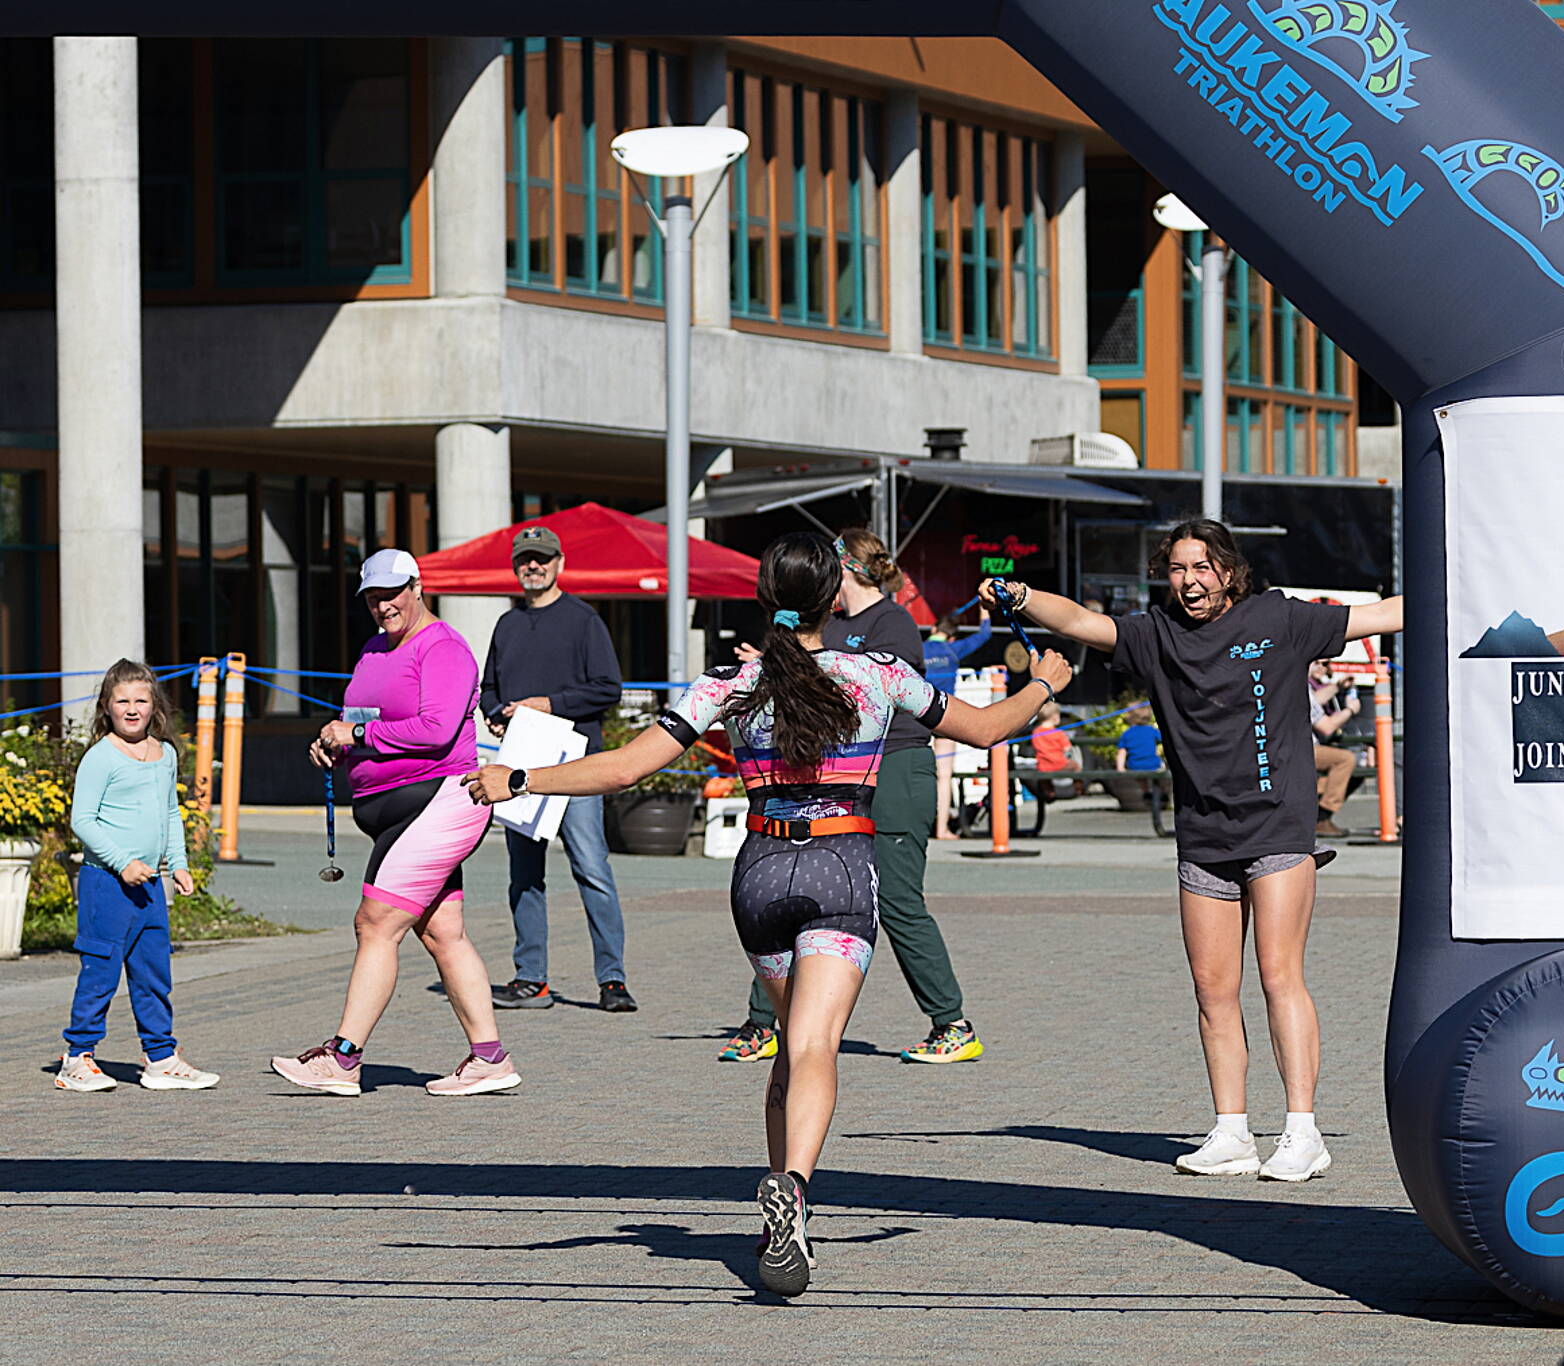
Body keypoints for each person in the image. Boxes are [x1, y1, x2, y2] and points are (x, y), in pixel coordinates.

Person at [464, 531, 1072, 1296]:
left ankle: (779, 1216)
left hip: (758, 875)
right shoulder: (877, 673)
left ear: (765, 597)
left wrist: (518, 776)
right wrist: (1044, 683)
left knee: (787, 1047)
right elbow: (985, 730)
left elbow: (625, 766)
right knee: (817, 1046)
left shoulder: (729, 683)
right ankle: (793, 1186)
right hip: (842, 867)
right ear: (832, 595)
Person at [980, 519, 1402, 1181]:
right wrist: (1020, 594)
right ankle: (1231, 1131)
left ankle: (1302, 1131)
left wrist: (1467, 582)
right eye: (1178, 569)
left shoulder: (1281, 618)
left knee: (1278, 976)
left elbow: (1383, 614)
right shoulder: (1156, 634)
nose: (1189, 581)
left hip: (1278, 829)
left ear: (1229, 571)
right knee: (1212, 991)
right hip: (1204, 835)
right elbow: (1081, 623)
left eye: (1201, 567)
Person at [719, 528, 984, 1067]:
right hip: (836, 772)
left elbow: (882, 686)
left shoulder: (893, 623)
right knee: (794, 885)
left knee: (897, 900)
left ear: (846, 570)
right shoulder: (832, 624)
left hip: (894, 766)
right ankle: (764, 1019)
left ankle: (951, 1022)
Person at [270, 548, 518, 1098]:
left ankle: (343, 1058)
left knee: (375, 923)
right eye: (373, 597)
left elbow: (434, 729)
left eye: (392, 592)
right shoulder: (374, 650)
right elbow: (360, 720)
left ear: (416, 587)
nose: (384, 606)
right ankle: (490, 1060)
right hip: (394, 806)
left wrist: (356, 739)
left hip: (441, 799)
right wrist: (335, 744)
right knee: (442, 932)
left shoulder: (444, 648)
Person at [479, 523, 635, 1013]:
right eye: (525, 559)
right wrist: (496, 711)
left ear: (559, 564)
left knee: (591, 868)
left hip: (577, 763)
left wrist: (549, 703)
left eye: (542, 558)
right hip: (520, 763)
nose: (533, 566)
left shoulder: (583, 620)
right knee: (523, 873)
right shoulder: (506, 625)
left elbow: (608, 688)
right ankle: (531, 978)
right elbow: (488, 687)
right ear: (516, 567)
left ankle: (612, 980)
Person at [55, 660, 219, 1092]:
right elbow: (83, 820)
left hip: (149, 887)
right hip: (106, 883)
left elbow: (169, 812)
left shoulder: (164, 754)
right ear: (106, 707)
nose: (132, 709)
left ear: (154, 706)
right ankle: (77, 1059)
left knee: (153, 974)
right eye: (122, 700)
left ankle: (161, 1058)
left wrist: (178, 863)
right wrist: (122, 861)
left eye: (140, 700)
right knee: (101, 972)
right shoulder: (101, 757)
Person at [922, 609, 993, 840]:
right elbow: (984, 635)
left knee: (918, 774)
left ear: (934, 630)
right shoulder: (953, 650)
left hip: (918, 715)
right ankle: (942, 829)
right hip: (944, 717)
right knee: (944, 776)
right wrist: (983, 612)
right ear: (952, 637)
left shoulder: (917, 649)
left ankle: (920, 826)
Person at [1308, 662, 1364, 839]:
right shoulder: (1301, 687)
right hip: (1302, 749)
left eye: (1325, 664)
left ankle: (1317, 813)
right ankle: (1322, 816)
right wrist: (1350, 710)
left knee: (1353, 770)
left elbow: (1316, 700)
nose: (1321, 668)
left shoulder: (1303, 685)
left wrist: (1338, 685)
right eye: (1317, 662)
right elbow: (1327, 726)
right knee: (1345, 759)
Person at [1027, 698, 1084, 798]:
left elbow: (1035, 746)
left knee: (1044, 775)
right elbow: (1067, 748)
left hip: (1043, 766)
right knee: (1076, 766)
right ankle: (1078, 788)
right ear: (1054, 717)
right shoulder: (1058, 733)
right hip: (1059, 764)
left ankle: (1049, 791)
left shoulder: (1036, 732)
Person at [1114, 704, 1163, 773]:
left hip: (1135, 767)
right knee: (1163, 769)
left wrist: (1120, 768)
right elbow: (1163, 738)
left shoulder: (1127, 733)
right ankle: (1165, 784)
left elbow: (1122, 752)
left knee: (1141, 781)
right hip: (1153, 765)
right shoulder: (1151, 730)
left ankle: (1144, 784)